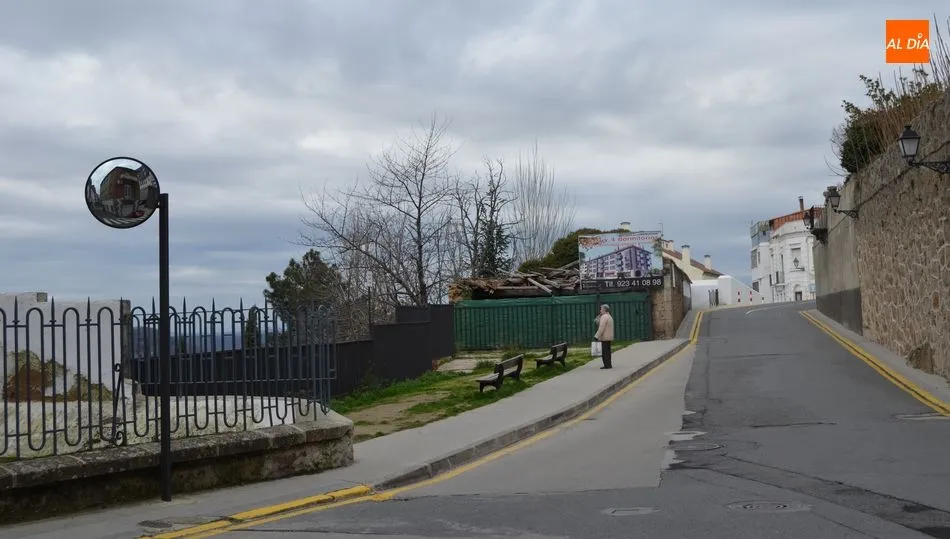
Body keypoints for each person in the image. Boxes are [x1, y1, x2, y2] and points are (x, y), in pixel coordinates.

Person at [594, 304, 614, 369]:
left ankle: (606, 365)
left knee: (604, 352)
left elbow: (601, 328)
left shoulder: (604, 317)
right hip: (609, 337)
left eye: (601, 309)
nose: (600, 310)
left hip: (604, 337)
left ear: (604, 309)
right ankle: (609, 364)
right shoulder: (609, 316)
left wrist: (596, 336)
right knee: (608, 351)